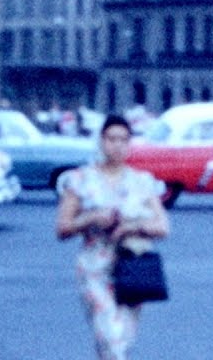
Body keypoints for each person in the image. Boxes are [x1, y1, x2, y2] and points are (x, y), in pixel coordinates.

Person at [55, 115, 170, 360]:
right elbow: (62, 228)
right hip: (95, 266)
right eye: (111, 139)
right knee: (111, 335)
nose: (117, 145)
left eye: (123, 140)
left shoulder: (141, 181)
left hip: (132, 265)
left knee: (123, 338)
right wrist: (91, 219)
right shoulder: (80, 179)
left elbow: (162, 227)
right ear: (101, 141)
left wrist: (131, 227)